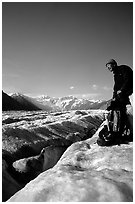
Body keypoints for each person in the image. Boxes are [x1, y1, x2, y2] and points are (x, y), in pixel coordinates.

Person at [106, 59, 133, 141]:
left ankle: (122, 131)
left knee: (122, 110)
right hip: (122, 95)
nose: (108, 68)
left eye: (109, 66)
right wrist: (113, 97)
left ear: (114, 64)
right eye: (107, 67)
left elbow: (128, 80)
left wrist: (122, 90)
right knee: (114, 108)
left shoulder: (123, 69)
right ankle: (117, 130)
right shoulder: (116, 74)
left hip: (128, 92)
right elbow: (115, 87)